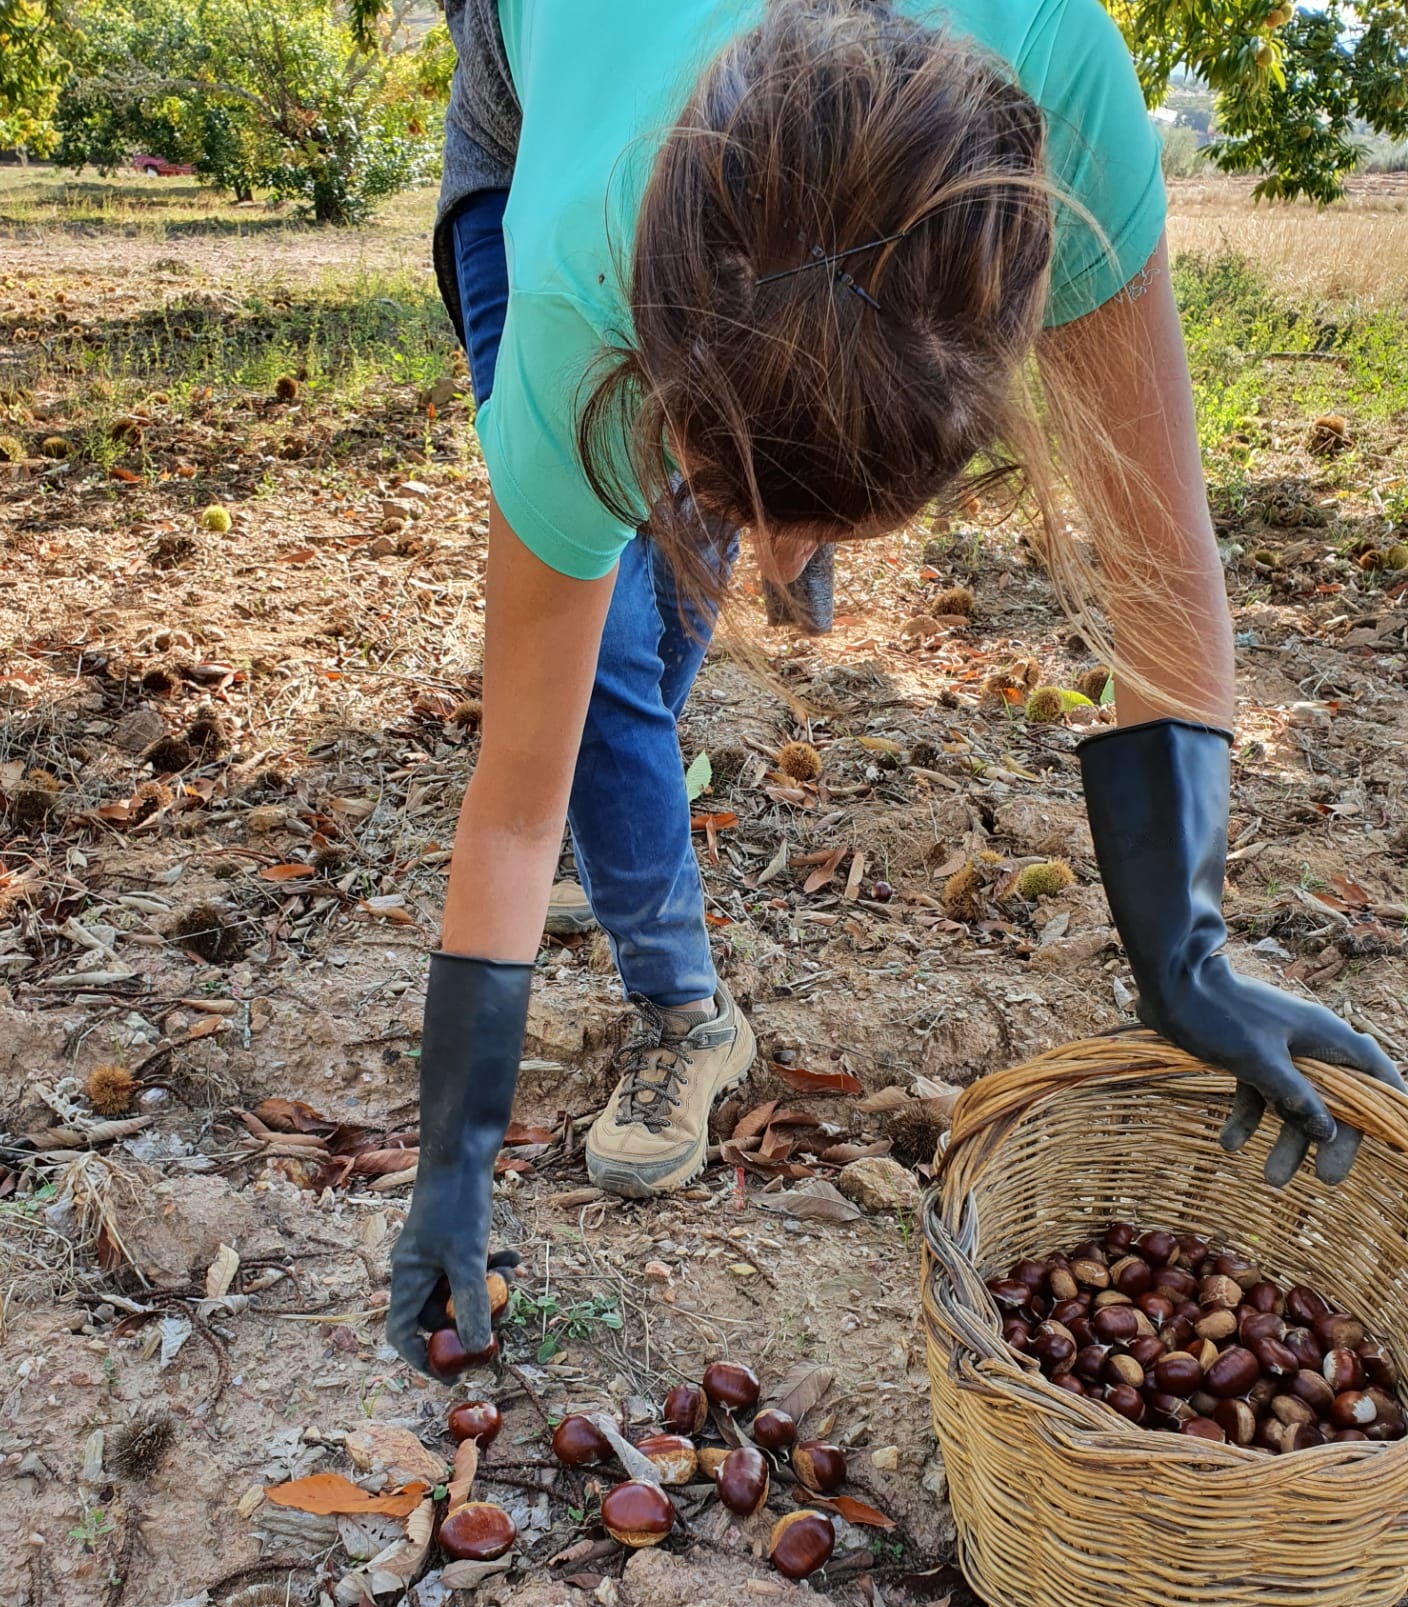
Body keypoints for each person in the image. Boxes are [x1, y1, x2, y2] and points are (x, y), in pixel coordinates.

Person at [387, 0, 1405, 1373]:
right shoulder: (579, 271)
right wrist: (450, 1159)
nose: (788, 557)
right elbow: (511, 802)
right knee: (606, 642)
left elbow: (1160, 569)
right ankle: (675, 980)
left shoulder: (1056, 85)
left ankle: (761, 493)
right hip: (545, 76)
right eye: (757, 502)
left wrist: (1187, 947)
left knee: (686, 580)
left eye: (826, 529)